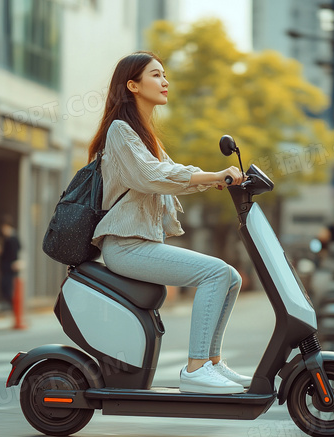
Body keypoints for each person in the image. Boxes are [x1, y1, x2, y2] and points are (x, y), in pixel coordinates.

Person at [89, 51, 248, 395]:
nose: (165, 82)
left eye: (164, 75)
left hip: (143, 245)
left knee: (231, 277)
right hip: (125, 246)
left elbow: (178, 175)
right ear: (132, 85)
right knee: (216, 273)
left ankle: (213, 363)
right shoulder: (120, 131)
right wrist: (213, 175)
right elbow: (153, 176)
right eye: (156, 75)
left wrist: (216, 179)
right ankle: (195, 369)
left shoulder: (146, 136)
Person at [0, 215, 21, 308]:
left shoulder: (12, 238)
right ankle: (8, 305)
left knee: (8, 287)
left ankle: (10, 306)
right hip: (6, 267)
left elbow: (13, 252)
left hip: (10, 267)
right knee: (5, 286)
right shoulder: (8, 238)